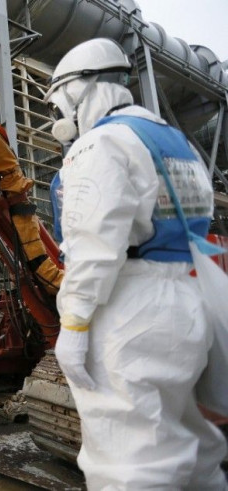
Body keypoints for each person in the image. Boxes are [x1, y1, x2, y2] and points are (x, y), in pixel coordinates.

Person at [45, 37, 227, 489]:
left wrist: (75, 325)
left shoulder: (99, 145)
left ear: (80, 89)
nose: (59, 118)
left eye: (59, 102)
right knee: (193, 449)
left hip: (131, 312)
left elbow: (92, 245)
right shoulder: (175, 141)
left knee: (128, 464)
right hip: (189, 300)